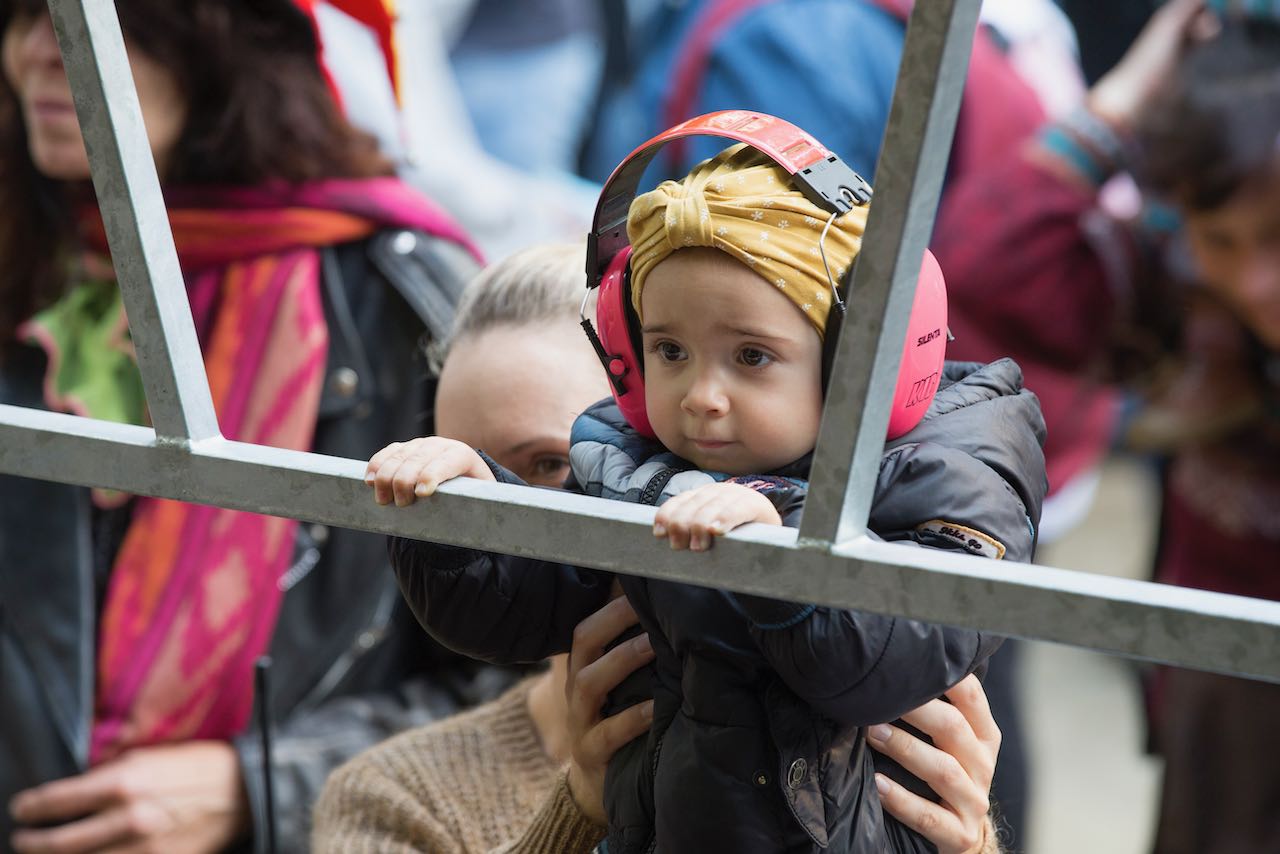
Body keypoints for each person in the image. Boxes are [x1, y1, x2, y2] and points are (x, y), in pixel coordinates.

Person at [366, 143, 1048, 852]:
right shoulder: (631, 467)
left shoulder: (949, 472)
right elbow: (519, 605)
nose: (702, 398)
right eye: (668, 352)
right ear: (626, 360)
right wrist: (465, 514)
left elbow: (880, 662)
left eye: (750, 355)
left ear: (863, 359)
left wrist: (782, 551)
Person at [0, 2, 510, 852]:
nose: (42, 53)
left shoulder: (397, 300)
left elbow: (531, 693)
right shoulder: (24, 250)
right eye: (21, 14)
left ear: (228, 49)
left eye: (118, 21)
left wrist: (266, 785)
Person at [921, 1, 1280, 850]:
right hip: (1219, 701)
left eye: (1276, 233)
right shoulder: (1175, 300)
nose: (1256, 279)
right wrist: (1124, 99)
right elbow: (983, 254)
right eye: (1220, 237)